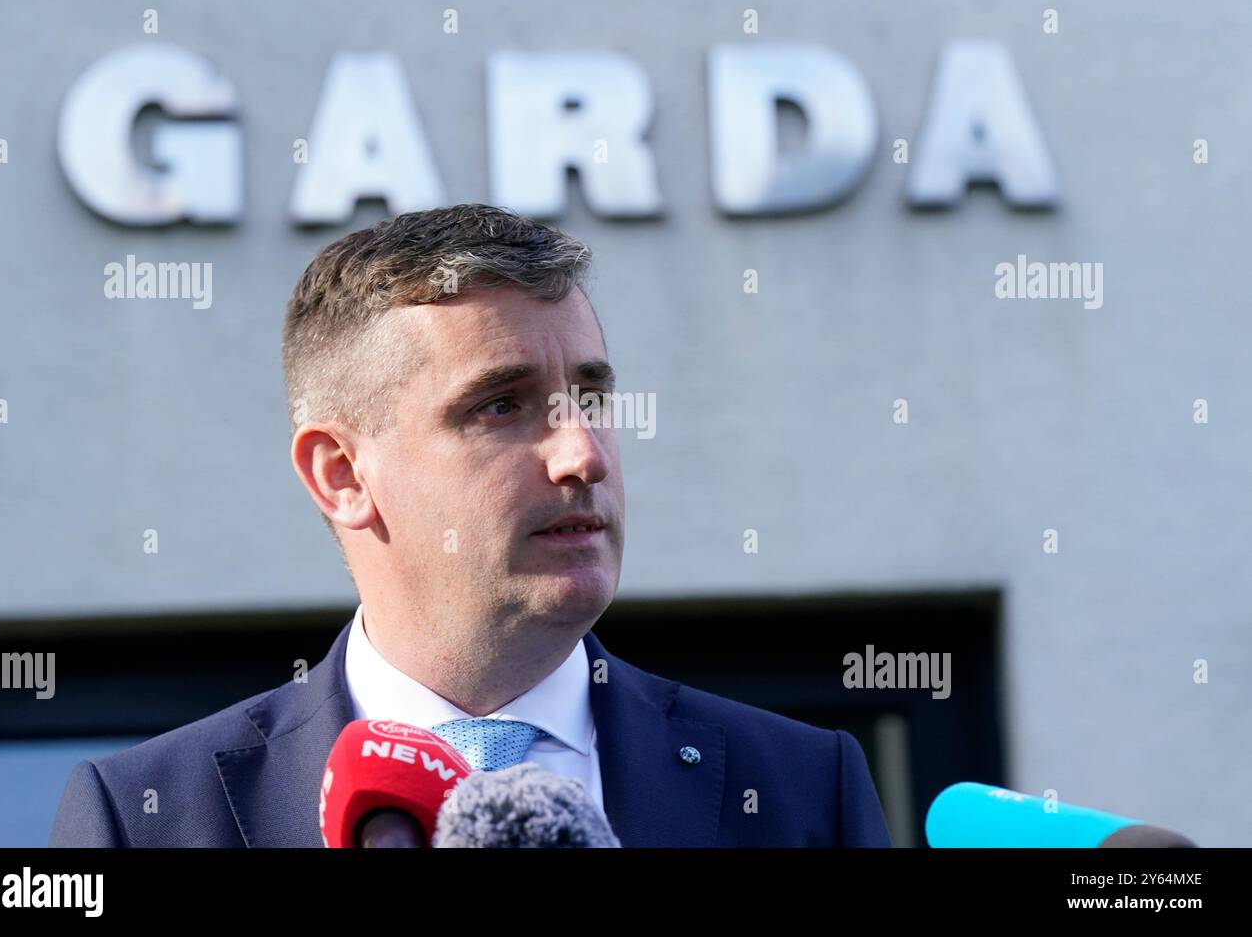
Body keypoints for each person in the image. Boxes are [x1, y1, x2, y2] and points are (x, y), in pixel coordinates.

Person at [49, 203, 892, 847]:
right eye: (501, 405)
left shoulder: (804, 790)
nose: (582, 456)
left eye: (591, 398)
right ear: (341, 475)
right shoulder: (148, 817)